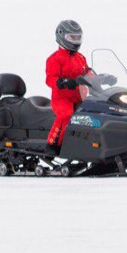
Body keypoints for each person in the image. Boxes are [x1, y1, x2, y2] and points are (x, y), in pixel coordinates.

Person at [45, 20, 89, 156]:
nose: (75, 40)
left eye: (77, 37)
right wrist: (62, 82)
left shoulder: (80, 57)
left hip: (79, 97)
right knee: (66, 114)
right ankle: (53, 144)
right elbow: (49, 79)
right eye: (72, 37)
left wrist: (103, 78)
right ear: (61, 36)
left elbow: (87, 72)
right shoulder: (55, 58)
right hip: (62, 99)